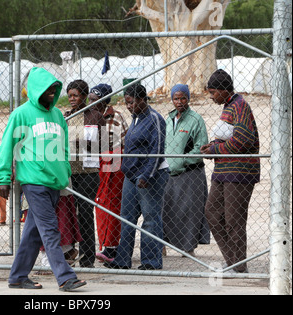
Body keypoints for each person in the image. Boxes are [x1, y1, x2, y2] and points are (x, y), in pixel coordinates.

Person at [0, 67, 86, 292]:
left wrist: (65, 173)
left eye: (55, 89)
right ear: (36, 90)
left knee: (34, 232)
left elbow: (63, 149)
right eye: (48, 89)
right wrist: (3, 177)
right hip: (33, 182)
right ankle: (65, 277)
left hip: (55, 182)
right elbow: (7, 146)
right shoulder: (21, 114)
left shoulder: (57, 115)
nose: (53, 93)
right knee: (50, 229)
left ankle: (17, 277)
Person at [200, 69, 260, 273]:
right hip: (224, 169)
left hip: (240, 171)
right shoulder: (229, 106)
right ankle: (232, 260)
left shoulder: (240, 106)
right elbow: (229, 137)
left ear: (225, 90)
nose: (211, 96)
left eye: (214, 92)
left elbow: (244, 140)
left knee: (234, 218)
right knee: (212, 212)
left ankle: (239, 265)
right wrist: (212, 146)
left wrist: (216, 148)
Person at [104, 83, 169, 270]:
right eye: (126, 103)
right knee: (126, 217)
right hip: (131, 176)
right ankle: (122, 260)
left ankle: (151, 262)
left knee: (150, 218)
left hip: (150, 176)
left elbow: (157, 150)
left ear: (142, 100)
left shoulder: (155, 119)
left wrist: (147, 175)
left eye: (132, 102)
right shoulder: (136, 118)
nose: (129, 106)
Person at [162, 84, 210, 257]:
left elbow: (201, 147)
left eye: (183, 98)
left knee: (190, 210)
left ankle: (188, 248)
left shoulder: (196, 120)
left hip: (190, 172)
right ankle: (162, 245)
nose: (179, 102)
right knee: (167, 208)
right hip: (169, 172)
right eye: (176, 98)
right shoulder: (168, 119)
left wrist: (181, 159)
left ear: (188, 98)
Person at [64, 80, 105, 268]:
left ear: (85, 95)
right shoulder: (66, 117)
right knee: (69, 213)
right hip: (69, 172)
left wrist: (86, 144)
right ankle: (69, 252)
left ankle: (88, 257)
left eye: (76, 95)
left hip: (88, 172)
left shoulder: (96, 116)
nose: (72, 99)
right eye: (70, 96)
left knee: (85, 214)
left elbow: (106, 144)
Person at [88, 84, 128, 263]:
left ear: (104, 101)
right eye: (89, 99)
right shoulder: (88, 116)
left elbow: (117, 145)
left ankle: (112, 247)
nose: (91, 103)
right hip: (97, 166)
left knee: (112, 205)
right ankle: (105, 244)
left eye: (95, 100)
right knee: (100, 205)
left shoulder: (115, 117)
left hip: (113, 165)